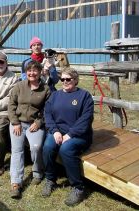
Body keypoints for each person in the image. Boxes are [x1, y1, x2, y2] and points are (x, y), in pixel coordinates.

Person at [42, 68, 94, 206]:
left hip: (79, 134)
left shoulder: (84, 96)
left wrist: (70, 134)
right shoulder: (55, 95)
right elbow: (47, 114)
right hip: (58, 132)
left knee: (65, 149)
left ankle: (78, 187)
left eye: (68, 79)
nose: (65, 82)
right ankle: (50, 179)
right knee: (47, 147)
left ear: (75, 80)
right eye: (62, 79)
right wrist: (54, 131)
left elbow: (86, 119)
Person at [8, 60, 50, 199]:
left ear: (40, 72)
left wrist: (39, 122)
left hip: (34, 124)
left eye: (35, 70)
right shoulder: (19, 86)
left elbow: (48, 110)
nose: (32, 73)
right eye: (29, 70)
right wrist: (15, 122)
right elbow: (11, 105)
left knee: (36, 147)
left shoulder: (46, 89)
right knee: (17, 150)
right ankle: (16, 183)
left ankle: (38, 172)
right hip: (18, 123)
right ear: (26, 72)